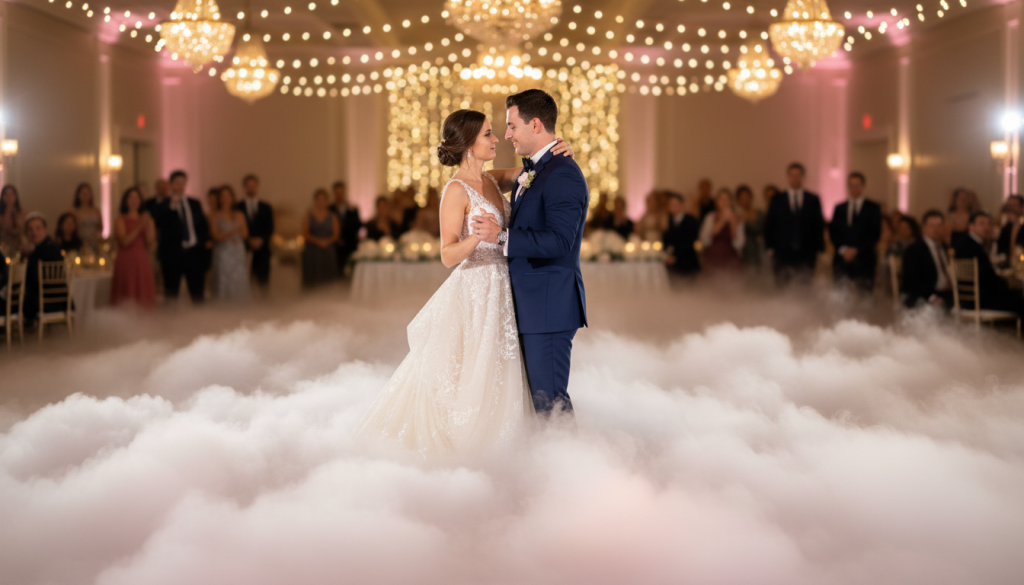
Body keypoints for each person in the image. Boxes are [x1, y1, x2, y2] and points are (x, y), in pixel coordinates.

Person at [357, 102, 578, 453]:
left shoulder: (492, 178)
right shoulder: (457, 190)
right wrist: (477, 237)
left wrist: (561, 147)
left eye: (497, 131)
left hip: (502, 287)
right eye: (488, 134)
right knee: (473, 372)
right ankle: (472, 446)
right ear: (469, 143)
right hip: (476, 288)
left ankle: (513, 445)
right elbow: (447, 255)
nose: (497, 139)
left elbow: (535, 167)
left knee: (502, 370)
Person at [151, 170, 210, 304]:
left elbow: (202, 227)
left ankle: (200, 319)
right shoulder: (163, 205)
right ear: (171, 185)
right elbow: (159, 223)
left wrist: (202, 245)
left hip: (194, 253)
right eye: (177, 183)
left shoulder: (194, 203)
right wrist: (172, 206)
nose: (180, 186)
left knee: (197, 292)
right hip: (173, 254)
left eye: (183, 183)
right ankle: (171, 321)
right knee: (171, 292)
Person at [764, 162, 825, 286]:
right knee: (782, 285)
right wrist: (770, 246)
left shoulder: (813, 199)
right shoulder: (777, 199)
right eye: (792, 175)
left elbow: (818, 225)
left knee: (805, 286)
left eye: (798, 175)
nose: (795, 178)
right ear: (788, 177)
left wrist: (819, 248)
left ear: (803, 177)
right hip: (782, 252)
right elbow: (769, 224)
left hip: (806, 252)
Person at [953, 211, 1024, 316]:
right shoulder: (972, 247)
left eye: (988, 224)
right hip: (980, 298)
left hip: (973, 297)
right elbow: (986, 277)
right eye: (982, 224)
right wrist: (1007, 283)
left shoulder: (968, 243)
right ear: (971, 226)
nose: (987, 227)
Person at [829, 172, 883, 291]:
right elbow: (833, 232)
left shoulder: (873, 208)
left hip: (865, 259)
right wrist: (843, 249)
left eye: (857, 185)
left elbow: (875, 233)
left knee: (864, 296)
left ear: (863, 186)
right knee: (841, 295)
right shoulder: (840, 208)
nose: (854, 188)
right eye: (851, 185)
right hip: (842, 259)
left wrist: (856, 250)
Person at [110, 187, 157, 308]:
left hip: (142, 260)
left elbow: (150, 242)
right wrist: (140, 225)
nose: (134, 200)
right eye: (131, 197)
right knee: (127, 289)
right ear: (126, 200)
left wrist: (149, 225)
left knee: (142, 290)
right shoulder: (120, 219)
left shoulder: (146, 219)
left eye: (137, 197)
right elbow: (124, 241)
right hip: (126, 259)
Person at [902, 210, 952, 308]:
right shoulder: (914, 249)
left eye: (938, 225)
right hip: (923, 296)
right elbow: (912, 279)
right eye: (931, 226)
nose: (935, 229)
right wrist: (931, 297)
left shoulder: (945, 248)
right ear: (923, 228)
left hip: (946, 294)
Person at [21, 213, 65, 326]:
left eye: (38, 228)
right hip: (54, 300)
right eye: (30, 229)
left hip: (49, 301)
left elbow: (32, 279)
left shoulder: (45, 251)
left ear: (45, 230)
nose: (34, 232)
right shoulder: (42, 248)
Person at [209, 185, 250, 302]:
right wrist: (233, 232)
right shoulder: (215, 215)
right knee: (223, 279)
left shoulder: (239, 214)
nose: (225, 198)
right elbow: (216, 236)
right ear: (219, 199)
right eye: (222, 196)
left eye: (228, 195)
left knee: (239, 279)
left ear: (232, 197)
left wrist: (226, 234)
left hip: (237, 252)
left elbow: (245, 234)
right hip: (223, 253)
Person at [235, 174, 274, 291]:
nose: (251, 188)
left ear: (257, 187)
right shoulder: (238, 207)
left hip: (262, 250)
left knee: (263, 282)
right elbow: (236, 227)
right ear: (244, 187)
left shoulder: (266, 207)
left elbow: (270, 228)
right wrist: (248, 240)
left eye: (253, 186)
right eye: (248, 186)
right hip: (243, 249)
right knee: (245, 281)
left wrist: (260, 240)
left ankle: (263, 306)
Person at [699, 189, 745, 274]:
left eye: (727, 199)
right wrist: (722, 221)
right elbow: (704, 240)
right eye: (721, 199)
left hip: (730, 259)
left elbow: (739, 244)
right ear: (717, 202)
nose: (724, 202)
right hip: (712, 257)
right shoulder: (710, 217)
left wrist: (732, 223)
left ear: (731, 202)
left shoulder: (737, 218)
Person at [301, 189, 340, 288]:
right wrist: (317, 241)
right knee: (312, 278)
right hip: (312, 251)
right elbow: (305, 233)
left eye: (323, 200)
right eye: (319, 200)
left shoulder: (333, 216)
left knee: (327, 278)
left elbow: (336, 234)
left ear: (327, 201)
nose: (321, 202)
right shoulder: (309, 216)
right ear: (315, 201)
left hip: (327, 250)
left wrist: (327, 241)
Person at [663, 192, 700, 278]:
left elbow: (689, 241)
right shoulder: (669, 221)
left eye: (676, 204)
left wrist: (676, 257)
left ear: (681, 204)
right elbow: (667, 242)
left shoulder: (690, 220)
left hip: (688, 263)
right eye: (671, 204)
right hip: (673, 265)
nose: (673, 206)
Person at [329, 181, 362, 275]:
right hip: (335, 245)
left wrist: (351, 213)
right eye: (337, 193)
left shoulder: (353, 208)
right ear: (334, 193)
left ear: (344, 192)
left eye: (341, 192)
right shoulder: (330, 209)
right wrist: (337, 238)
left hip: (350, 244)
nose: (339, 195)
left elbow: (358, 225)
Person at [736, 185, 764, 269]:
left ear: (751, 198)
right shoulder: (737, 216)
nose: (745, 201)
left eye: (747, 197)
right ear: (738, 201)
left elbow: (762, 229)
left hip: (760, 251)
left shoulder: (760, 214)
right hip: (745, 253)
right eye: (742, 199)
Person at [71, 183, 103, 253]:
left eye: (87, 193)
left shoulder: (96, 211)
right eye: (83, 193)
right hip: (80, 243)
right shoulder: (74, 211)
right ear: (78, 195)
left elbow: (100, 227)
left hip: (94, 243)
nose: (85, 196)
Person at [996, 195, 1024, 264]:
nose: (1011, 208)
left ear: (1022, 207)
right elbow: (1001, 252)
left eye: (1014, 205)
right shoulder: (1005, 228)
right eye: (1009, 206)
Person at [0, 185, 25, 256]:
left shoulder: (22, 214)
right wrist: (8, 210)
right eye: (6, 194)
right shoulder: (1, 216)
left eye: (11, 194)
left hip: (19, 249)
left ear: (16, 196)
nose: (9, 197)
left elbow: (20, 230)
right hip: (3, 248)